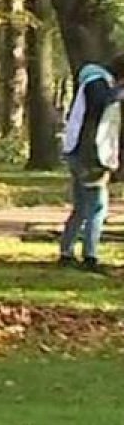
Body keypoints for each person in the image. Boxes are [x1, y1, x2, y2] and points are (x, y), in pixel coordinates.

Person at [58, 54, 124, 273]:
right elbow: (100, 105)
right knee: (97, 206)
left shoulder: (93, 80)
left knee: (81, 207)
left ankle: (66, 252)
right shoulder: (97, 82)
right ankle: (90, 256)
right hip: (89, 153)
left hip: (80, 150)